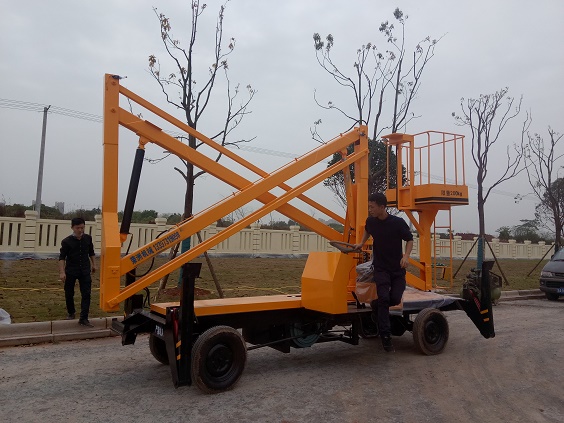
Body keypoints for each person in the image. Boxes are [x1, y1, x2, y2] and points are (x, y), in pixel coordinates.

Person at [353, 193, 413, 352]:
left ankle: (375, 305)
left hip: (397, 269)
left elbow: (409, 239)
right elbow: (367, 230)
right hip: (380, 268)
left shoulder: (397, 223)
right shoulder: (370, 221)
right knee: (384, 299)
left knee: (395, 298)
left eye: (372, 207)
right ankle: (385, 337)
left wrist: (406, 256)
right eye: (369, 206)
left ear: (382, 207)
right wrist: (361, 243)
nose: (370, 209)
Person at [58, 217, 96, 327]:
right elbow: (62, 257)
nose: (80, 230)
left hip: (85, 270)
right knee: (69, 292)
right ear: (72, 228)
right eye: (77, 228)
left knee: (86, 293)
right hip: (71, 270)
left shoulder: (88, 238)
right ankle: (71, 312)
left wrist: (94, 264)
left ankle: (84, 318)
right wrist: (62, 272)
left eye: (82, 228)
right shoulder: (66, 241)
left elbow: (91, 252)